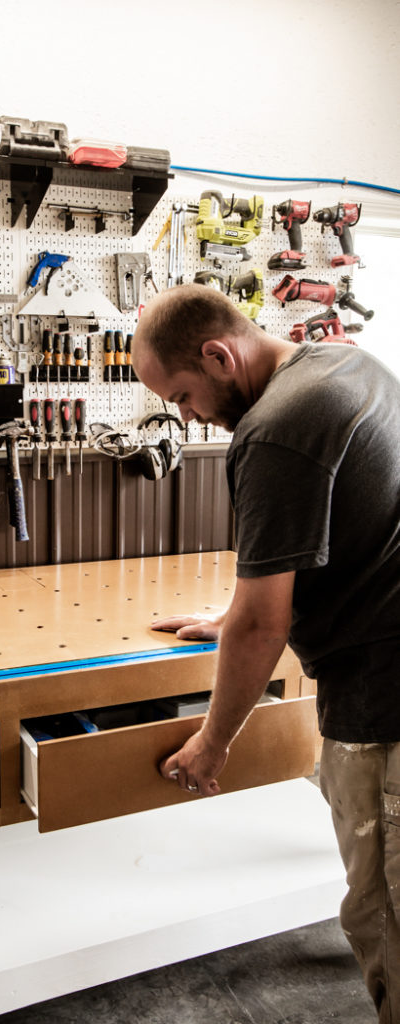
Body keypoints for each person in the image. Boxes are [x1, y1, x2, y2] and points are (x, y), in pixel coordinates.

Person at [132, 283, 400, 1023]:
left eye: (183, 395)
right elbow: (343, 527)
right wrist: (237, 611)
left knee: (383, 920)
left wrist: (212, 744)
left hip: (383, 702)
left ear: (220, 355)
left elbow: (262, 629)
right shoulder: (347, 366)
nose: (186, 416)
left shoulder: (275, 430)